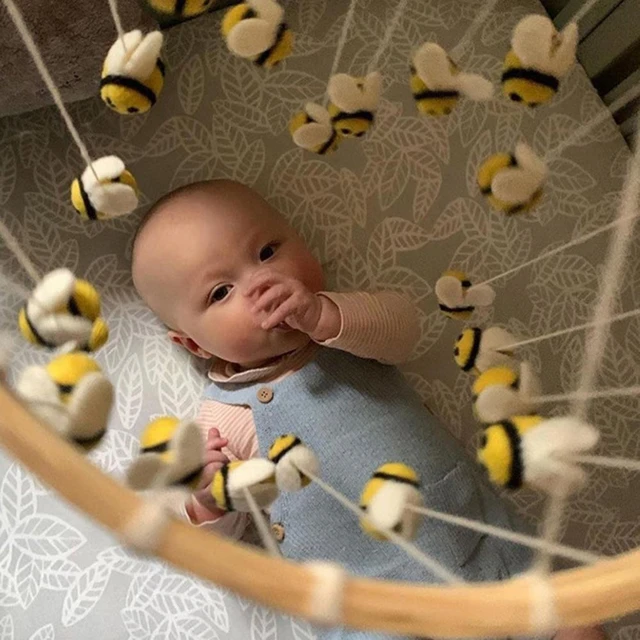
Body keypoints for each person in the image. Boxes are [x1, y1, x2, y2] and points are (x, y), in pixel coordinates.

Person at [131, 179, 605, 640]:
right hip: (373, 613)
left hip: (477, 548)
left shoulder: (343, 331)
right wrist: (207, 499)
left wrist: (323, 315)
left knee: (577, 623)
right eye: (220, 292)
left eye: (267, 252)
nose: (260, 284)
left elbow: (402, 329)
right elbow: (214, 547)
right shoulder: (221, 418)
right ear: (192, 343)